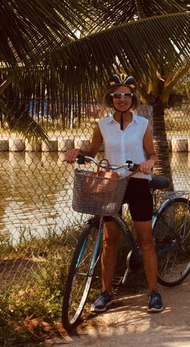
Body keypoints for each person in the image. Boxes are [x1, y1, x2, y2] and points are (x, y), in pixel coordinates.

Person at [64, 74, 162, 313]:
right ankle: (106, 292)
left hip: (137, 183)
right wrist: (77, 152)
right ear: (111, 99)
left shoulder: (143, 125)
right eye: (117, 95)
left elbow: (152, 153)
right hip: (111, 185)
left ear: (133, 98)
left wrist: (149, 163)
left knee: (146, 241)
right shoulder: (102, 125)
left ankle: (153, 291)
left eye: (126, 95)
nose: (122, 99)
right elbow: (92, 151)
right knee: (110, 241)